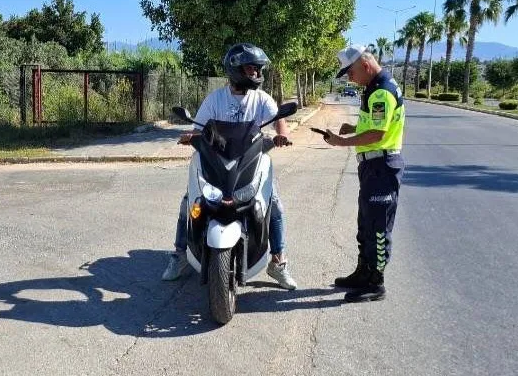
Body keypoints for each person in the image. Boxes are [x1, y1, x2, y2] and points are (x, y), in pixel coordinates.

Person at [161, 42, 298, 290]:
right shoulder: (215, 99)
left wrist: (281, 135)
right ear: (235, 70)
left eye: (257, 69)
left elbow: (280, 119)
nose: (256, 73)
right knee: (189, 203)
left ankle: (278, 261)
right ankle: (180, 254)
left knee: (274, 204)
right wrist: (189, 136)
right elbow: (198, 128)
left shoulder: (262, 98)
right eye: (250, 69)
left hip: (251, 162)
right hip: (217, 164)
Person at [317, 46, 406, 301]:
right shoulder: (375, 87)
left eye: (351, 72)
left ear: (365, 66)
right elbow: (378, 125)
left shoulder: (382, 91)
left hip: (382, 166)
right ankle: (363, 273)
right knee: (365, 224)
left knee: (378, 228)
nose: (350, 79)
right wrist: (353, 127)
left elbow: (378, 135)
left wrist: (339, 141)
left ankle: (376, 284)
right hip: (372, 166)